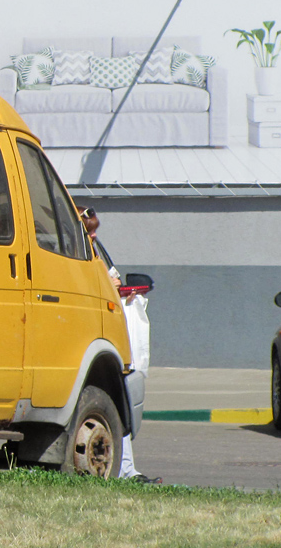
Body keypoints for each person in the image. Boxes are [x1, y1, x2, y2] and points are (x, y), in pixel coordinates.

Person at [78, 205, 160, 484]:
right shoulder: (77, 254)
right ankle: (124, 470)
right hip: (90, 337)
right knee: (113, 401)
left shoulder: (94, 251)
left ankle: (127, 469)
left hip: (105, 334)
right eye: (90, 231)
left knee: (116, 403)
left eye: (94, 230)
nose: (94, 235)